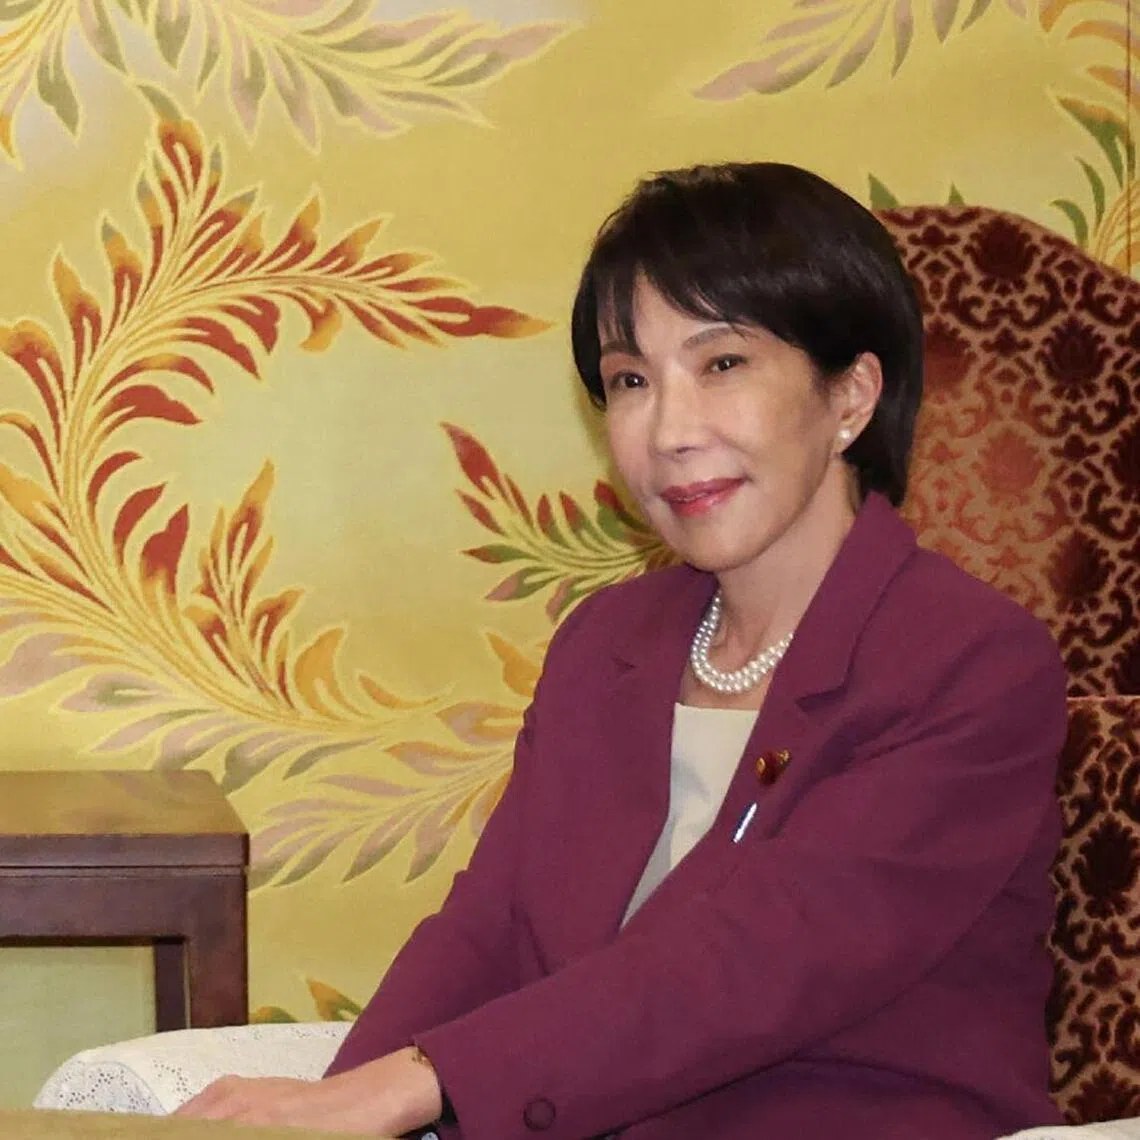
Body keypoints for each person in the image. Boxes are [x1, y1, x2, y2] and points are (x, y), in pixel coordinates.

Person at [177, 163, 1068, 1138]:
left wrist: (417, 1086)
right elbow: (489, 926)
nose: (670, 431)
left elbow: (748, 966)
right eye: (630, 381)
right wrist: (343, 1103)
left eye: (722, 364)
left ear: (850, 395)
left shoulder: (971, 663)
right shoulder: (609, 642)